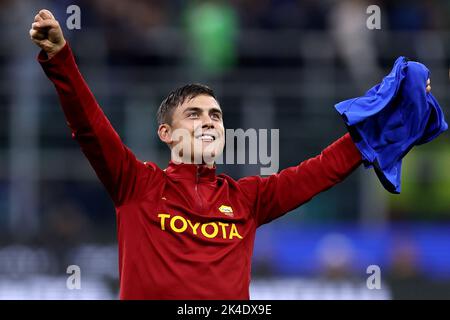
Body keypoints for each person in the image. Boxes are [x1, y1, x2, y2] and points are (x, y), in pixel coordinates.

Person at [29, 9, 431, 299]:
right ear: (166, 133)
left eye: (216, 115)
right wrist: (61, 59)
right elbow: (90, 129)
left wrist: (388, 116)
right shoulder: (137, 185)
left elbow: (323, 169)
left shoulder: (248, 199)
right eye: (194, 114)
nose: (209, 122)